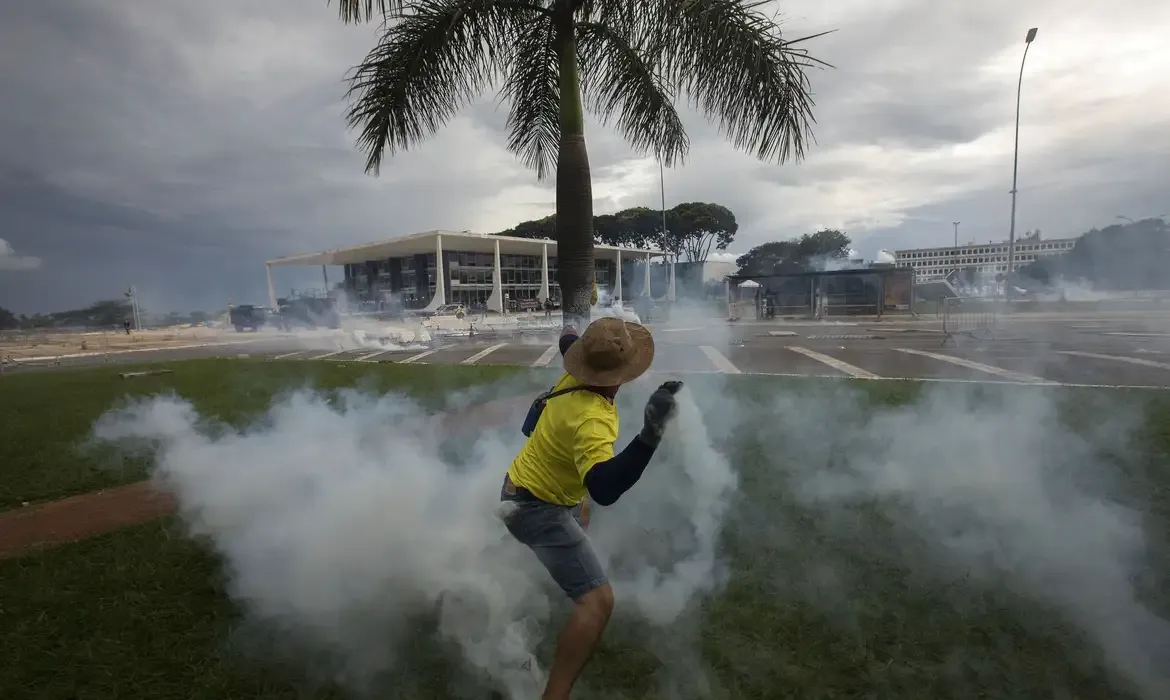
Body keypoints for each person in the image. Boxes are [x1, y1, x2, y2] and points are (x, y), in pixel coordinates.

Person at [500, 317, 682, 700]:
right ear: (624, 371)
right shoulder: (593, 417)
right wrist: (651, 432)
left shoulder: (574, 372)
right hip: (535, 507)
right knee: (598, 602)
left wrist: (571, 326)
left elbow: (568, 339)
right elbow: (603, 487)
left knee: (581, 511)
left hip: (522, 486)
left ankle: (537, 557)